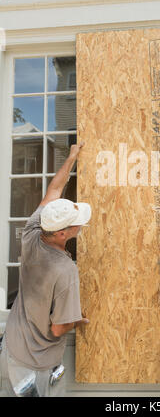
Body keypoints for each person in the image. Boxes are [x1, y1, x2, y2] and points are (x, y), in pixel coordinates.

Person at [0, 142, 91, 397]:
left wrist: (72, 156)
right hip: (38, 367)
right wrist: (77, 319)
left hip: (11, 349)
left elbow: (54, 188)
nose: (80, 225)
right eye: (77, 224)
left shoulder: (33, 231)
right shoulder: (65, 270)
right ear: (63, 233)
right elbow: (57, 329)